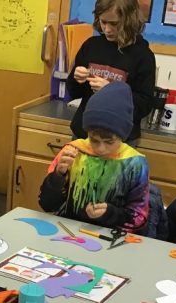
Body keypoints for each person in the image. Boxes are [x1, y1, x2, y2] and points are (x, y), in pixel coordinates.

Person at [39, 82, 150, 232]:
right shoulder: (73, 151)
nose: (101, 149)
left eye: (109, 142)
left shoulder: (134, 164)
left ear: (123, 136)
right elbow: (46, 204)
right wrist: (58, 176)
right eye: (94, 140)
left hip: (109, 237)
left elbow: (138, 219)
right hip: (67, 231)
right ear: (87, 133)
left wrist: (109, 213)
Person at [67, 0, 155, 143]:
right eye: (103, 22)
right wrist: (76, 78)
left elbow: (144, 105)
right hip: (84, 135)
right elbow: (74, 92)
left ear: (129, 20)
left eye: (114, 24)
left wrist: (112, 92)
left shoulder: (143, 56)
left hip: (119, 141)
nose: (107, 29)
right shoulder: (91, 46)